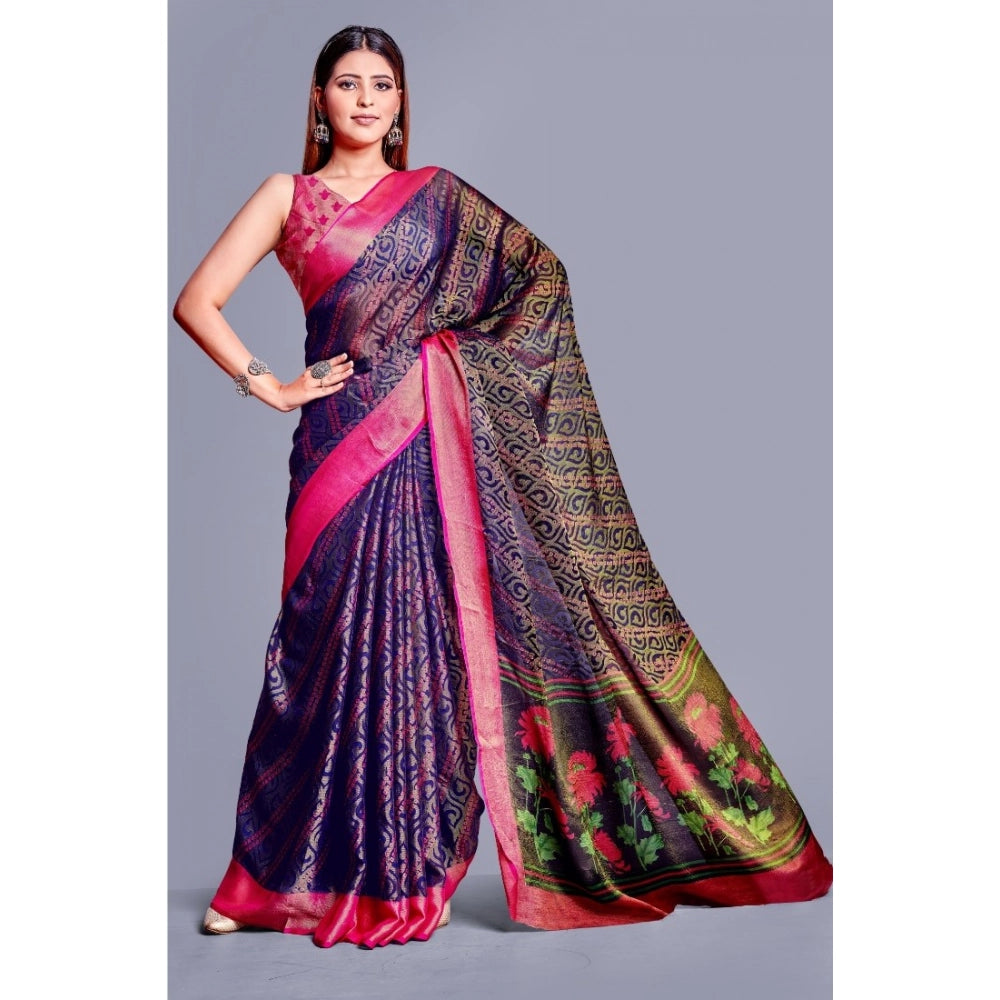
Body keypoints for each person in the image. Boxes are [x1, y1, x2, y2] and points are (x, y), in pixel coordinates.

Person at [173, 24, 833, 950]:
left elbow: (541, 280)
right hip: (333, 451)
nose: (365, 100)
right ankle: (266, 879)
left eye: (382, 85)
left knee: (421, 659)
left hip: (424, 443)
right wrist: (272, 386)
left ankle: (411, 869)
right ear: (318, 100)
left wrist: (444, 363)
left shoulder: (438, 198)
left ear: (401, 102)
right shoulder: (288, 196)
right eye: (348, 84)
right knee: (315, 655)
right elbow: (196, 300)